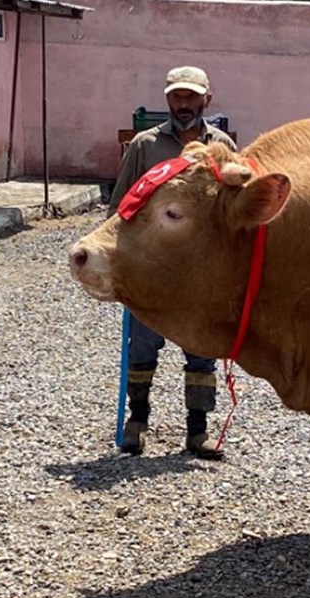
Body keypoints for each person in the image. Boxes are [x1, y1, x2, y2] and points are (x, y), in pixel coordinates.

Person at [106, 66, 237, 460]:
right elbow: (120, 208)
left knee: (202, 349)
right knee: (142, 347)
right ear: (168, 99)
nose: (183, 105)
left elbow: (232, 211)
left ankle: (197, 433)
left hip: (200, 271)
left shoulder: (222, 147)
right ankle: (137, 423)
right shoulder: (145, 147)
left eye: (191, 97)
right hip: (152, 268)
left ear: (206, 100)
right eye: (177, 97)